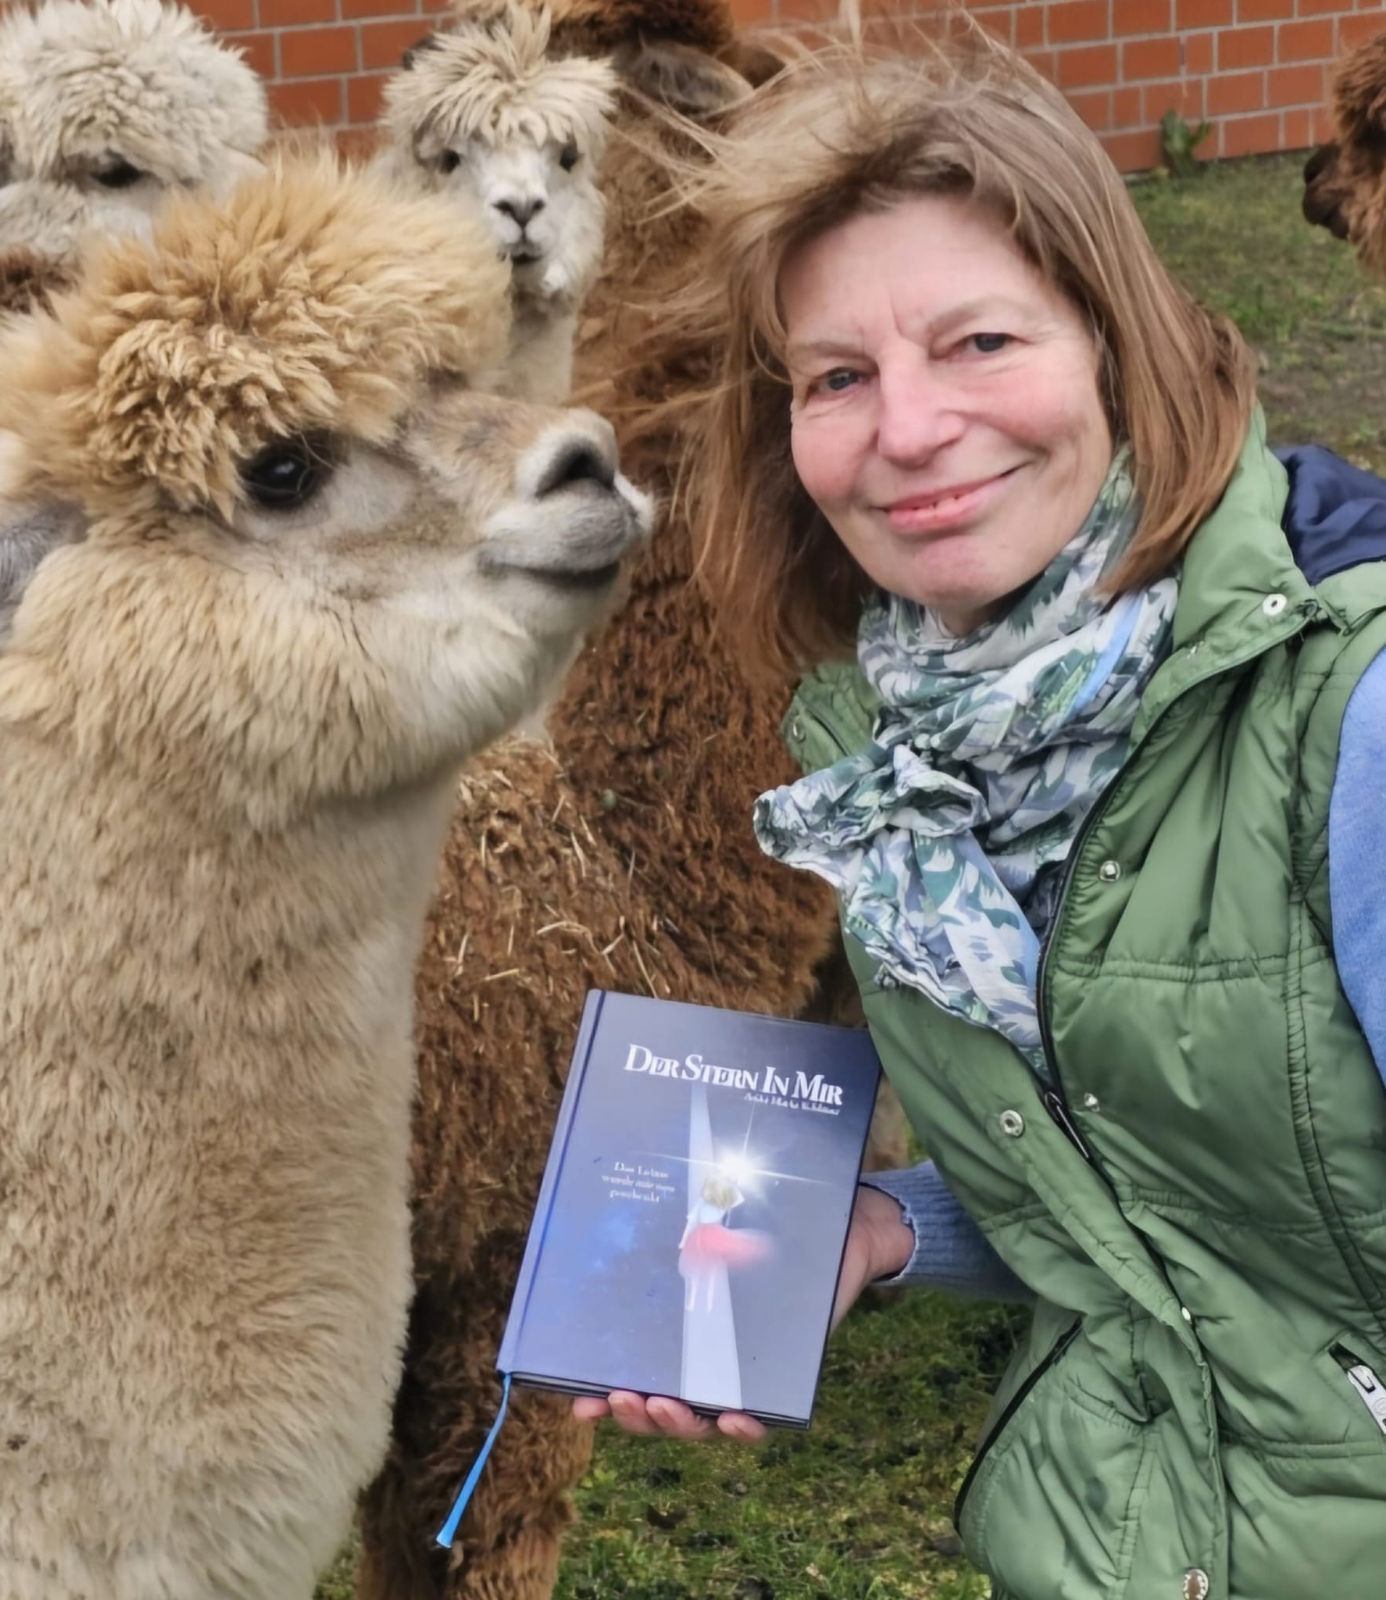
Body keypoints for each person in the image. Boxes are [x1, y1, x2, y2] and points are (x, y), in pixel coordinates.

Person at [572, 25, 1386, 1600]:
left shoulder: (1348, 723)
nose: (909, 432)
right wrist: (877, 1228)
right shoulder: (899, 761)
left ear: (1114, 338)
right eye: (835, 377)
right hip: (1119, 1534)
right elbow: (1168, 1169)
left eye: (979, 344)